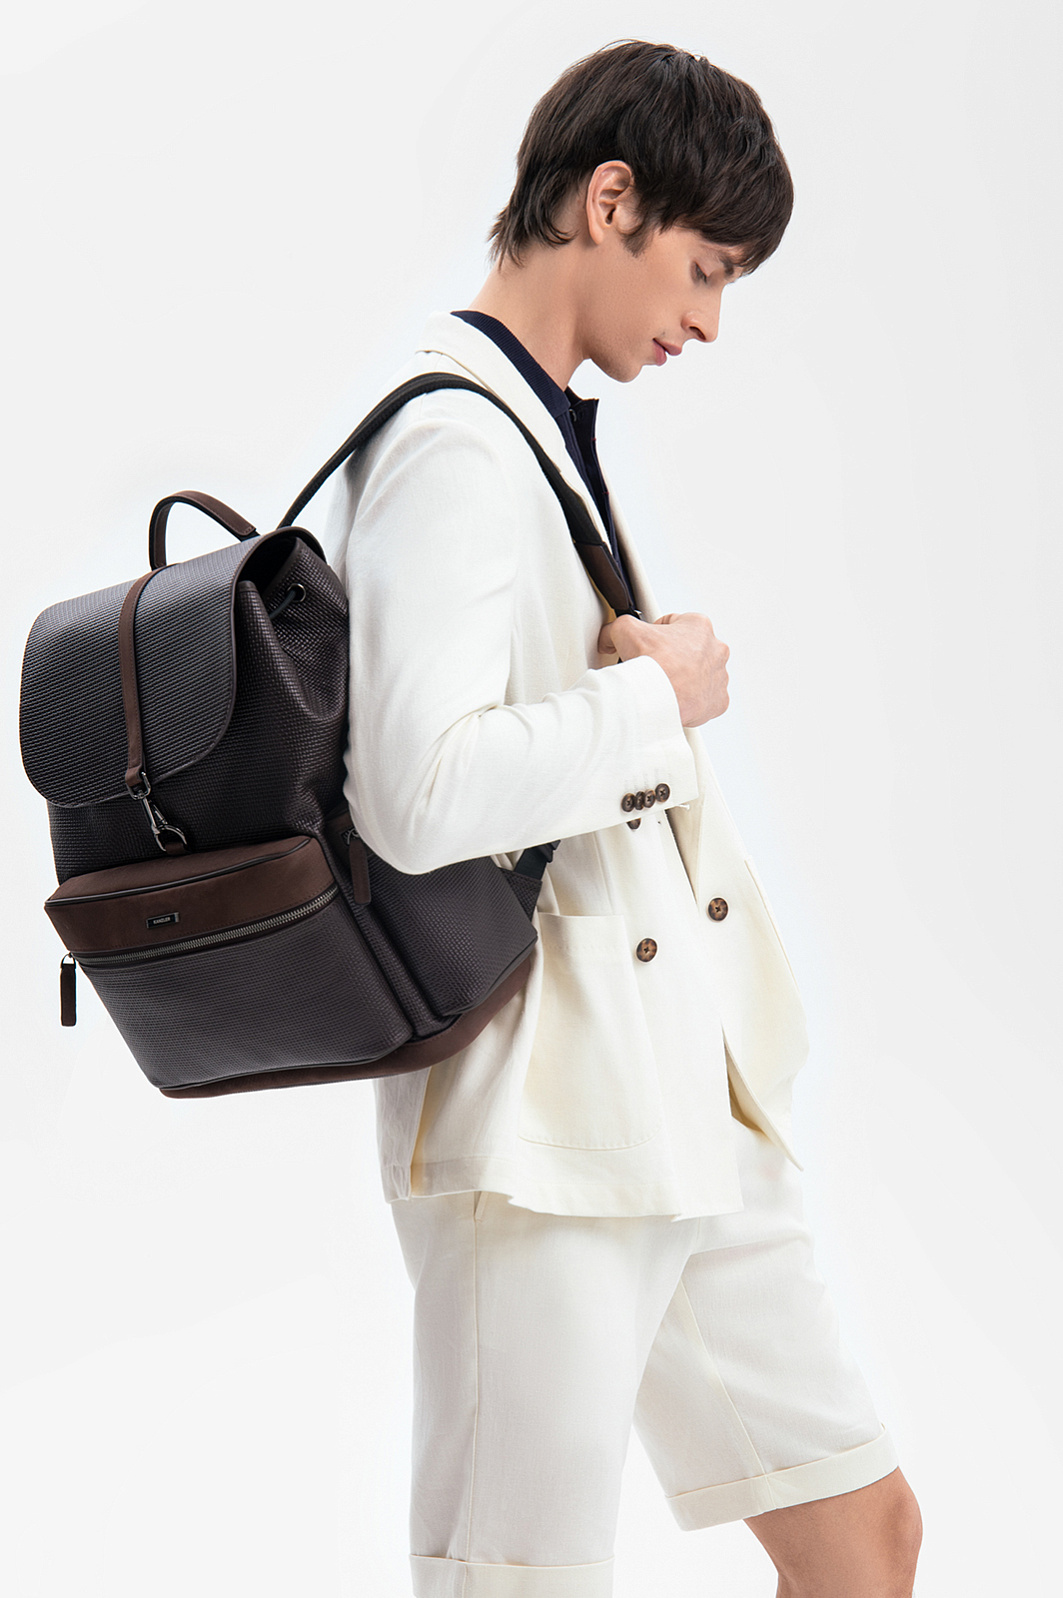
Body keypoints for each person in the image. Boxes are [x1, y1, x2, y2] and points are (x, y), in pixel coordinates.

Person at [325, 38, 922, 1598]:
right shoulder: (454, 440)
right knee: (519, 1577)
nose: (709, 320)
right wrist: (660, 701)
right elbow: (416, 793)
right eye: (705, 268)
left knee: (865, 1531)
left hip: (672, 1098)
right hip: (540, 1127)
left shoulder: (538, 431)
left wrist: (635, 698)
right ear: (611, 201)